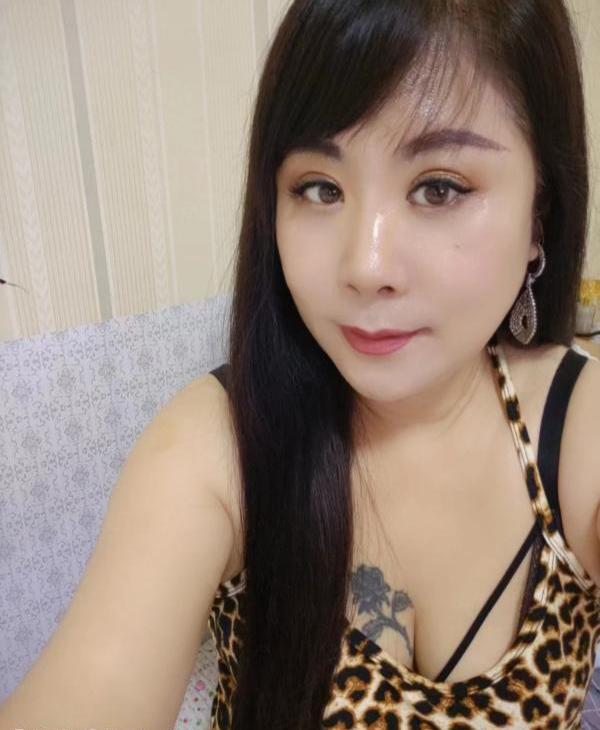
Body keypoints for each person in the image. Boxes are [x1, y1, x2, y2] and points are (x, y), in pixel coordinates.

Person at [0, 1, 598, 729]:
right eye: (320, 188)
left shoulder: (577, 423)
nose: (365, 266)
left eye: (439, 187)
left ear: (540, 214)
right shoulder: (219, 444)